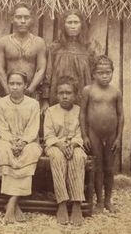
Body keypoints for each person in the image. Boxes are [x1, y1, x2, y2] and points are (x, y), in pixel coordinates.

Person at [0, 70, 42, 224]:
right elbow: (0, 127)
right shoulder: (1, 103)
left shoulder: (33, 104)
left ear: (25, 85)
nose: (14, 87)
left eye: (18, 84)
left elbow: (33, 128)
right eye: (11, 83)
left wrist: (24, 142)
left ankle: (12, 202)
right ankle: (14, 202)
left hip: (29, 140)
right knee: (3, 152)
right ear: (7, 85)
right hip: (5, 139)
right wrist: (11, 141)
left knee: (31, 152)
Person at [80, 56, 124, 213]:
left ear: (112, 72)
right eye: (100, 72)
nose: (104, 76)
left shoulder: (116, 92)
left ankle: (108, 201)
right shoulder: (88, 90)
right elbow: (83, 114)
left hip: (111, 135)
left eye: (108, 72)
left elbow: (120, 115)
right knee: (97, 167)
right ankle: (98, 201)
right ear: (93, 73)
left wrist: (118, 137)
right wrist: (85, 135)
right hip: (94, 134)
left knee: (110, 168)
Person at [44, 76, 87, 225]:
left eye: (68, 93)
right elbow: (48, 135)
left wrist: (74, 145)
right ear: (56, 94)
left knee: (78, 157)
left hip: (75, 145)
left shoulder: (80, 111)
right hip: (56, 146)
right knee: (57, 157)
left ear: (75, 95)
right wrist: (60, 145)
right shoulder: (50, 111)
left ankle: (76, 204)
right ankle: (61, 203)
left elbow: (81, 133)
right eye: (61, 92)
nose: (64, 96)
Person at [45, 9, 102, 106]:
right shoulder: (55, 48)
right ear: (63, 25)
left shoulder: (89, 48)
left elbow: (95, 76)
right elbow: (48, 75)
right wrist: (45, 99)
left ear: (82, 25)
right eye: (69, 23)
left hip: (83, 96)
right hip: (59, 96)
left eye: (76, 23)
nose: (72, 26)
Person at [0, 3, 46, 101]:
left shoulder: (39, 42)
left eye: (26, 18)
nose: (23, 21)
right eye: (19, 17)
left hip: (31, 91)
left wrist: (30, 90)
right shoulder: (3, 41)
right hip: (7, 91)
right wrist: (7, 91)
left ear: (31, 20)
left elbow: (41, 69)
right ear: (12, 19)